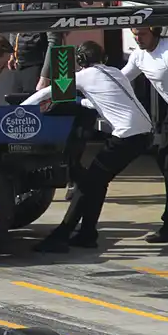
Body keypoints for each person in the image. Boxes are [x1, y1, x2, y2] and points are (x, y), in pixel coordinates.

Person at [23, 41, 153, 252]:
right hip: (144, 133)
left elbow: (44, 94)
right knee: (96, 182)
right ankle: (87, 233)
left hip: (127, 136)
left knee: (86, 185)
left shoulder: (84, 75)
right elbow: (99, 101)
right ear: (104, 59)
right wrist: (79, 101)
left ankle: (61, 236)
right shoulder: (115, 72)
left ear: (80, 61)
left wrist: (19, 110)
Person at [121, 25, 168, 244]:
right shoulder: (138, 56)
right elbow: (120, 78)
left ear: (155, 32)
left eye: (142, 35)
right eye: (135, 35)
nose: (138, 39)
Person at [7, 0, 74, 92]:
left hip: (39, 65)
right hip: (20, 62)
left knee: (34, 112)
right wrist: (12, 52)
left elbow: (54, 39)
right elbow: (12, 20)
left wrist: (45, 77)